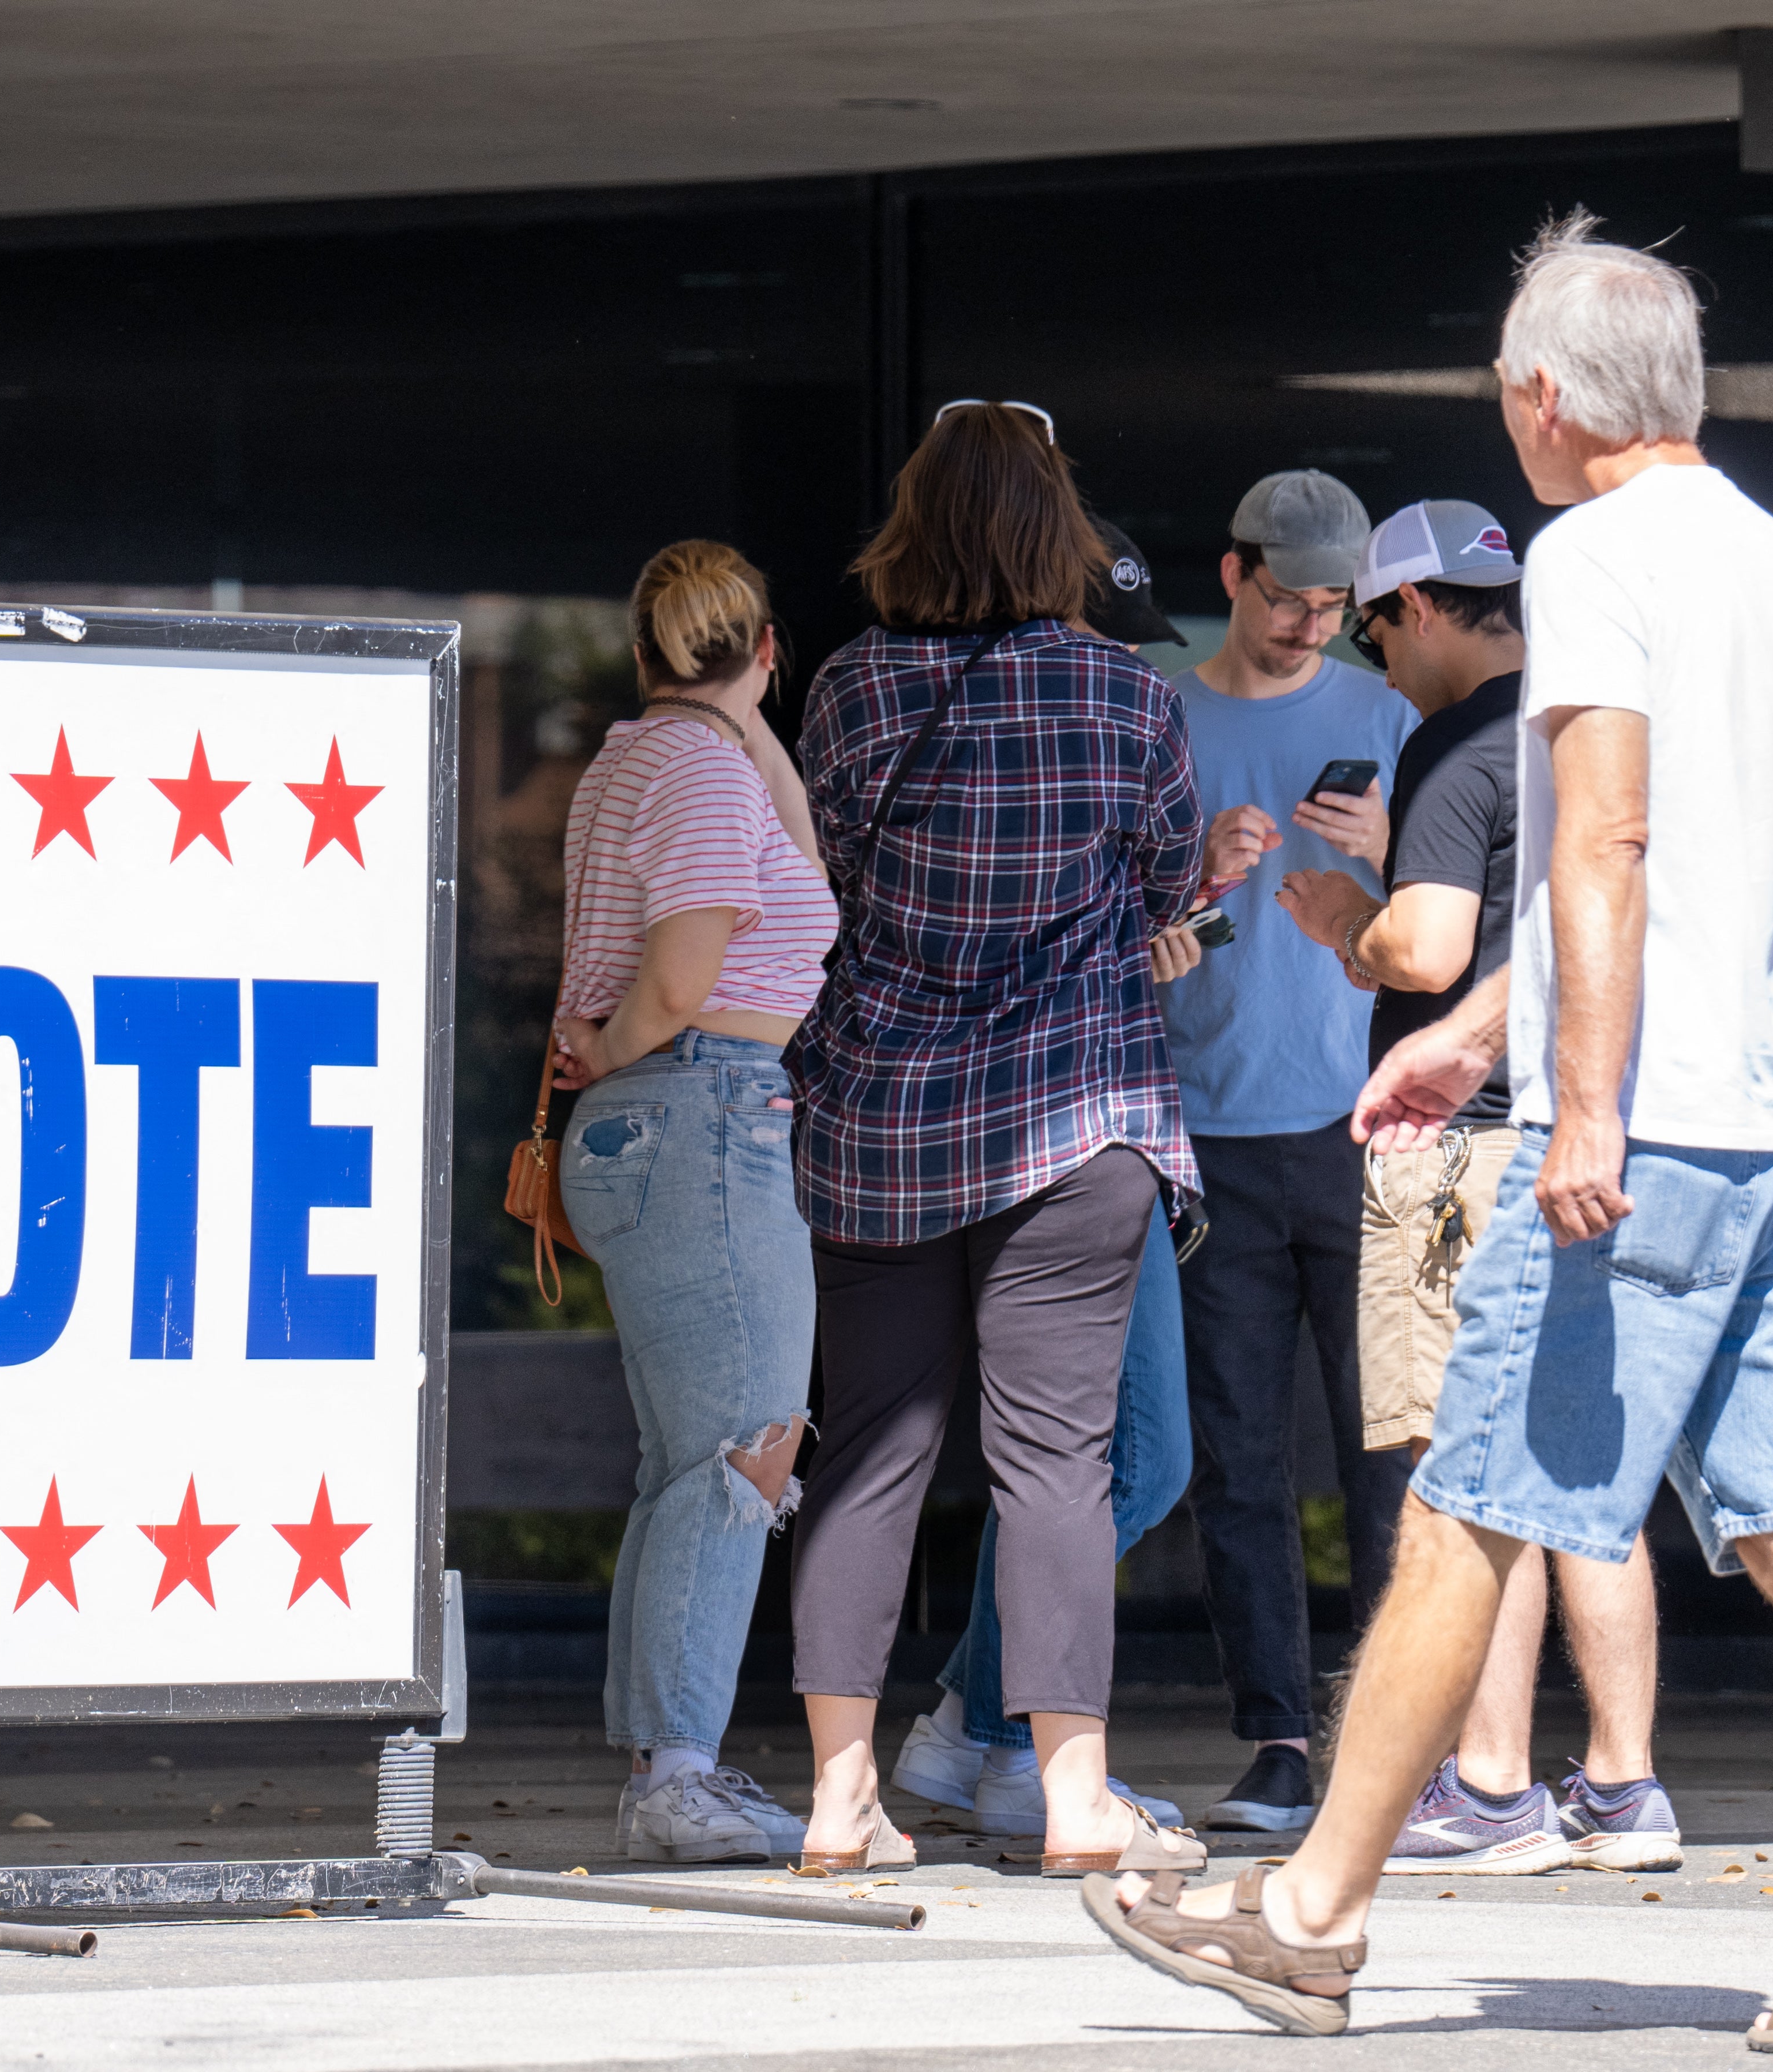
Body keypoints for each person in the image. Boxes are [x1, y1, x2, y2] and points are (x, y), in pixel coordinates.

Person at [1090, 212, 1773, 2062]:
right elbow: (1713, 867)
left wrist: (1568, 1102)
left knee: (1459, 1518)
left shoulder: (1592, 558)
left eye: (1509, 390)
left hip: (1639, 1141)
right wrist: (1480, 1029)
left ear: (1547, 398)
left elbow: (1606, 841)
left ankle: (1310, 1915)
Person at [787, 402, 1212, 1879]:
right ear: (1061, 538)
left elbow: (820, 879)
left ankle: (841, 1799)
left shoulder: (848, 690)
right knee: (1055, 1461)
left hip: (879, 1126)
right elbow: (1165, 884)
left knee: (865, 1458)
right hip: (1073, 1117)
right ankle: (1075, 1795)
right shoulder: (1127, 696)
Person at [1272, 499, 1675, 1879]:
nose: (1375, 658)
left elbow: (1432, 949)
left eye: (1376, 624)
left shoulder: (1452, 743)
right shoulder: (1586, 730)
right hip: (1590, 1135)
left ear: (1425, 610)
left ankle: (1492, 1782)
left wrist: (1344, 920)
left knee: (1460, 1471)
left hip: (1463, 1147)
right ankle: (1622, 1785)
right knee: (1583, 1467)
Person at [890, 517, 1200, 1840]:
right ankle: (1010, 1739)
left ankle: (968, 1722)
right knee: (1104, 1461)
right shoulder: (1040, 714)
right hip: (1074, 1126)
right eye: (1090, 630)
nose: (1108, 663)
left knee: (1100, 1461)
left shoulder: (1034, 711)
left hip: (1057, 1122)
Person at [550, 541, 838, 1865]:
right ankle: (678, 1771)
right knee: (744, 1450)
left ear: (639, 653)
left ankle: (663, 1759)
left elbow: (788, 853)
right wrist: (612, 1045)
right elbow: (675, 979)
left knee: (693, 1457)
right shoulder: (700, 774)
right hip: (700, 1104)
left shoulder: (647, 761)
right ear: (766, 648)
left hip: (666, 1122)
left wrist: (740, 708)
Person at [1153, 469, 1416, 1835]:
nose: (1315, 623)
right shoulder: (1163, 718)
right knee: (1239, 1457)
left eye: (1337, 603)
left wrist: (1382, 862)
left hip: (1362, 1125)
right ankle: (1274, 1738)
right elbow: (1119, 944)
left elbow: (1451, 934)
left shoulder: (1387, 715)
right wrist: (1194, 882)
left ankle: (1395, 1739)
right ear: (1231, 574)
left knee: (1389, 1452)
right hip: (1202, 1131)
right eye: (1292, 597)